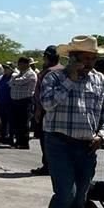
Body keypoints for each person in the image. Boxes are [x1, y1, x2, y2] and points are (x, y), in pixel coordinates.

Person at [38, 35, 104, 208]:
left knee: (79, 199)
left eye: (93, 58)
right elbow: (48, 104)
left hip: (87, 146)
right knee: (65, 195)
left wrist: (102, 134)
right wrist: (70, 79)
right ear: (72, 58)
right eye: (85, 58)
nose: (90, 63)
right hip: (59, 142)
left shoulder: (100, 80)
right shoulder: (54, 77)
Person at [31, 46, 63, 175]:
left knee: (45, 139)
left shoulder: (47, 72)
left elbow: (40, 94)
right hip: (60, 112)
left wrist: (38, 110)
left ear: (47, 57)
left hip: (46, 110)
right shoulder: (64, 70)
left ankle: (48, 165)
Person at [9, 57, 37, 149]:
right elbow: (10, 83)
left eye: (20, 64)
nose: (18, 66)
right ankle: (17, 141)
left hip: (25, 101)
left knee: (24, 122)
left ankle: (24, 143)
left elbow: (20, 81)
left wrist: (14, 79)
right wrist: (14, 79)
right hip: (15, 101)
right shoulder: (20, 73)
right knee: (16, 122)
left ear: (26, 64)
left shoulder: (31, 74)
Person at [0, 62, 15, 144]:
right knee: (2, 121)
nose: (5, 70)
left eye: (7, 68)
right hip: (1, 101)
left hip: (9, 101)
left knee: (9, 121)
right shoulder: (2, 77)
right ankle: (2, 136)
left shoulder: (13, 77)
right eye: (5, 68)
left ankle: (10, 137)